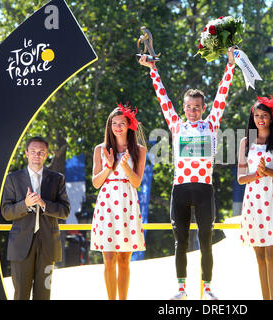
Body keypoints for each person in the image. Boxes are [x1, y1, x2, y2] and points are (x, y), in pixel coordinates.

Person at [138, 48, 235, 300]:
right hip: (180, 189)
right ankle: (181, 289)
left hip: (204, 189)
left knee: (206, 239)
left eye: (197, 107)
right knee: (180, 241)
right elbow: (163, 99)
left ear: (204, 108)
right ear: (184, 108)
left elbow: (223, 94)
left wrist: (230, 65)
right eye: (189, 107)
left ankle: (207, 288)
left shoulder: (211, 124)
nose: (193, 110)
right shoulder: (176, 125)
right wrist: (153, 70)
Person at [1, 136, 70, 300]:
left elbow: (65, 211)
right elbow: (6, 212)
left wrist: (44, 204)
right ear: (26, 153)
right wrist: (25, 204)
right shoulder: (13, 179)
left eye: (41, 152)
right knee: (21, 295)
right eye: (33, 151)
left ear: (46, 155)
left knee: (44, 295)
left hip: (48, 246)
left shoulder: (57, 179)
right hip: (20, 246)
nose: (36, 155)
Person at [237, 96, 273, 300]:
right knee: (259, 256)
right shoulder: (245, 142)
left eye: (265, 115)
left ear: (271, 117)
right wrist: (257, 174)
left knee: (271, 254)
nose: (260, 119)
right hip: (253, 200)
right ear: (253, 117)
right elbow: (241, 178)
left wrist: (267, 171)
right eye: (257, 115)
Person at [90, 104, 147, 300]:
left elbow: (137, 182)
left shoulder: (139, 150)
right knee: (108, 258)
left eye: (121, 123)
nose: (117, 127)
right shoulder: (100, 149)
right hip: (107, 203)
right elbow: (96, 183)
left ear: (129, 125)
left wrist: (125, 166)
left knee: (124, 259)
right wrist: (108, 167)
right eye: (114, 123)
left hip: (127, 203)